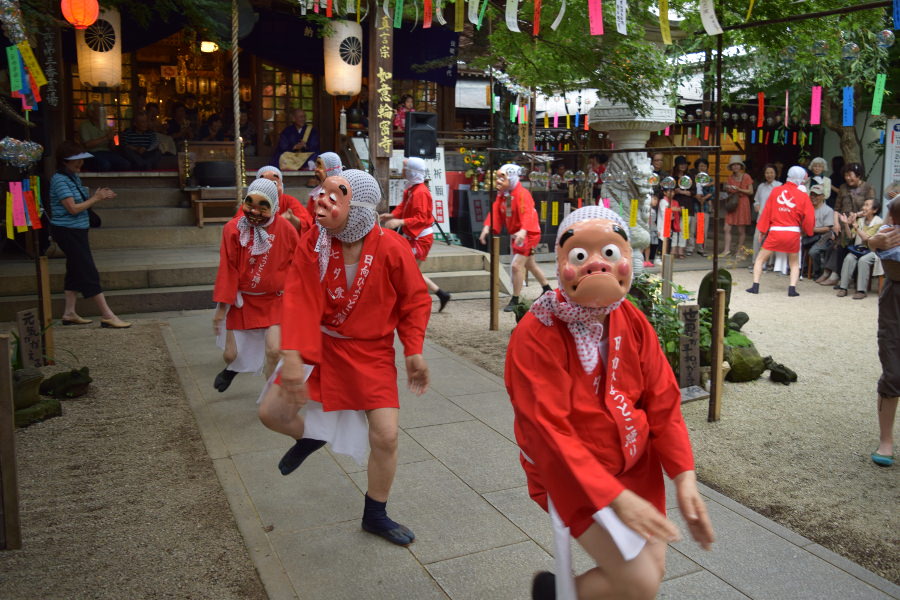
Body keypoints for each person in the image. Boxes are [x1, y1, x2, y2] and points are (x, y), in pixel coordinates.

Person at [505, 206, 714, 600]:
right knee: (638, 581)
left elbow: (662, 402)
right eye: (581, 256)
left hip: (637, 466)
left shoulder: (631, 319)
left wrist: (684, 477)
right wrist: (613, 498)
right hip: (572, 474)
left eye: (610, 253)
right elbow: (547, 429)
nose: (596, 265)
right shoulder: (537, 333)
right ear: (561, 262)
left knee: (650, 570)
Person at [258, 169, 431, 546]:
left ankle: (376, 513)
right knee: (270, 413)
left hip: (371, 351)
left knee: (386, 435)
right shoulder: (313, 242)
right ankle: (310, 437)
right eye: (324, 193)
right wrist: (291, 355)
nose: (322, 201)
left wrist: (413, 351)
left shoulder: (391, 247)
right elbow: (299, 298)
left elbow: (415, 300)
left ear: (359, 209)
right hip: (318, 343)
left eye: (336, 195)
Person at [212, 178, 300, 393]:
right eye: (250, 205)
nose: (255, 212)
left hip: (274, 299)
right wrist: (222, 309)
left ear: (274, 205)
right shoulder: (233, 229)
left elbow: (298, 265)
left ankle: (270, 396)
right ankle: (232, 368)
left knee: (274, 350)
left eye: (263, 207)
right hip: (242, 300)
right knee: (230, 354)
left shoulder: (286, 229)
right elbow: (228, 269)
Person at [48, 141, 131, 328]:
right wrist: (96, 197)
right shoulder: (59, 179)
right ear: (64, 161)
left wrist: (98, 196)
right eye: (76, 161)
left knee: (75, 270)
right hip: (67, 229)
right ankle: (107, 314)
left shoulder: (72, 177)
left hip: (77, 229)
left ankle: (69, 312)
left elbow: (81, 203)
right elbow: (73, 208)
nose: (80, 164)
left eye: (81, 160)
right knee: (88, 270)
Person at [379, 157, 452, 312]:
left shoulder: (421, 193)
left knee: (409, 271)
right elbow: (403, 206)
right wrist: (392, 215)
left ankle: (414, 302)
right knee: (411, 271)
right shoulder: (412, 189)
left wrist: (400, 222)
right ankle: (439, 294)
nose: (403, 171)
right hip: (414, 236)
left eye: (406, 168)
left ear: (412, 172)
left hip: (421, 238)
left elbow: (422, 218)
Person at [479, 164, 553, 312]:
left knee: (516, 266)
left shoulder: (523, 194)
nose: (499, 181)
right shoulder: (504, 194)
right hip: (518, 234)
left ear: (512, 177)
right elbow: (495, 211)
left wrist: (523, 231)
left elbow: (528, 214)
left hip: (528, 234)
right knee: (530, 264)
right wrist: (487, 227)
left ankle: (516, 299)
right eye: (498, 177)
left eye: (503, 177)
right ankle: (548, 289)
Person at [746, 166, 815, 297]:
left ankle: (755, 286)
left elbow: (767, 211)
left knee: (760, 259)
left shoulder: (776, 190)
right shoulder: (803, 195)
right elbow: (809, 217)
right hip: (793, 232)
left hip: (775, 231)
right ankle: (792, 289)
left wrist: (762, 230)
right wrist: (808, 231)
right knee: (794, 262)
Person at [867, 199, 900, 466]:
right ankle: (886, 440)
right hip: (895, 300)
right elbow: (873, 238)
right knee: (893, 370)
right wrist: (874, 243)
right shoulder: (891, 228)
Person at [835, 198, 882, 300]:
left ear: (875, 210)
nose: (863, 208)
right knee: (849, 258)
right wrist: (846, 223)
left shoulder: (879, 222)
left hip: (873, 251)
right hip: (860, 249)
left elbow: (866, 238)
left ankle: (861, 290)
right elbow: (850, 236)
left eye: (867, 205)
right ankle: (843, 288)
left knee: (863, 260)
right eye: (864, 205)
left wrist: (856, 227)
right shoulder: (861, 220)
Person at [256, 165, 313, 236]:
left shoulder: (290, 201)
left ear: (281, 185)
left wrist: (292, 219)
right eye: (265, 183)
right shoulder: (252, 203)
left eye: (274, 183)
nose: (270, 187)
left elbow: (307, 225)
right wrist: (279, 221)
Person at [78, 101, 130, 172]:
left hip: (106, 152)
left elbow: (112, 147)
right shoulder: (84, 126)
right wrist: (106, 138)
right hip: (91, 153)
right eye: (99, 111)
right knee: (104, 164)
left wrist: (112, 139)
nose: (103, 114)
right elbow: (87, 145)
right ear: (91, 113)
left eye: (103, 111)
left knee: (125, 164)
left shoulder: (106, 126)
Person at [751, 164, 781, 271]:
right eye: (767, 172)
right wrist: (757, 206)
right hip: (761, 217)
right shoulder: (761, 186)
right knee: (757, 239)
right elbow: (756, 200)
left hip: (774, 218)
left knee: (770, 241)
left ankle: (769, 263)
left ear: (775, 174)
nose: (769, 175)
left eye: (771, 172)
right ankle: (755, 261)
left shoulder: (779, 186)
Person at [721, 155, 753, 257]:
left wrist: (739, 189)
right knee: (727, 228)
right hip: (732, 203)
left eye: (737, 165)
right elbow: (728, 190)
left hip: (743, 203)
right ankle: (726, 250)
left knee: (741, 230)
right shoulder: (730, 177)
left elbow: (750, 191)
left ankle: (739, 250)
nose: (735, 167)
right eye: (733, 165)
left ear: (740, 166)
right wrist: (727, 188)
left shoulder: (746, 176)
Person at [803, 184, 836, 280]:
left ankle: (817, 272)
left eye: (816, 195)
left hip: (825, 236)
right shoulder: (808, 208)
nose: (813, 197)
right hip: (810, 235)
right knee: (796, 244)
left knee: (814, 251)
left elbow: (828, 228)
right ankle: (803, 269)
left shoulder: (828, 210)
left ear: (823, 196)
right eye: (812, 194)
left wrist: (811, 229)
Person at [305, 152, 344, 219]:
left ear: (331, 169)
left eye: (320, 166)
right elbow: (308, 219)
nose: (316, 169)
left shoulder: (342, 194)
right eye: (316, 166)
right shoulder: (315, 195)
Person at [671, 157, 694, 256]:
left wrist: (681, 191)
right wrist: (674, 192)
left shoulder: (690, 177)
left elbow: (694, 192)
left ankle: (681, 249)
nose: (683, 166)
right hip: (675, 204)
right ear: (677, 165)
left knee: (684, 228)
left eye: (685, 164)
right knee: (675, 227)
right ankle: (673, 248)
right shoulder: (673, 177)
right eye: (681, 164)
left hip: (687, 205)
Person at [693, 158, 714, 257]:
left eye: (704, 166)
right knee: (694, 228)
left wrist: (704, 198)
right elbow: (692, 190)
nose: (702, 168)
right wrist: (696, 197)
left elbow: (712, 192)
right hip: (695, 206)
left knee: (703, 228)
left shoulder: (710, 179)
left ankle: (701, 248)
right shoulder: (693, 178)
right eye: (700, 166)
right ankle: (690, 247)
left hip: (704, 206)